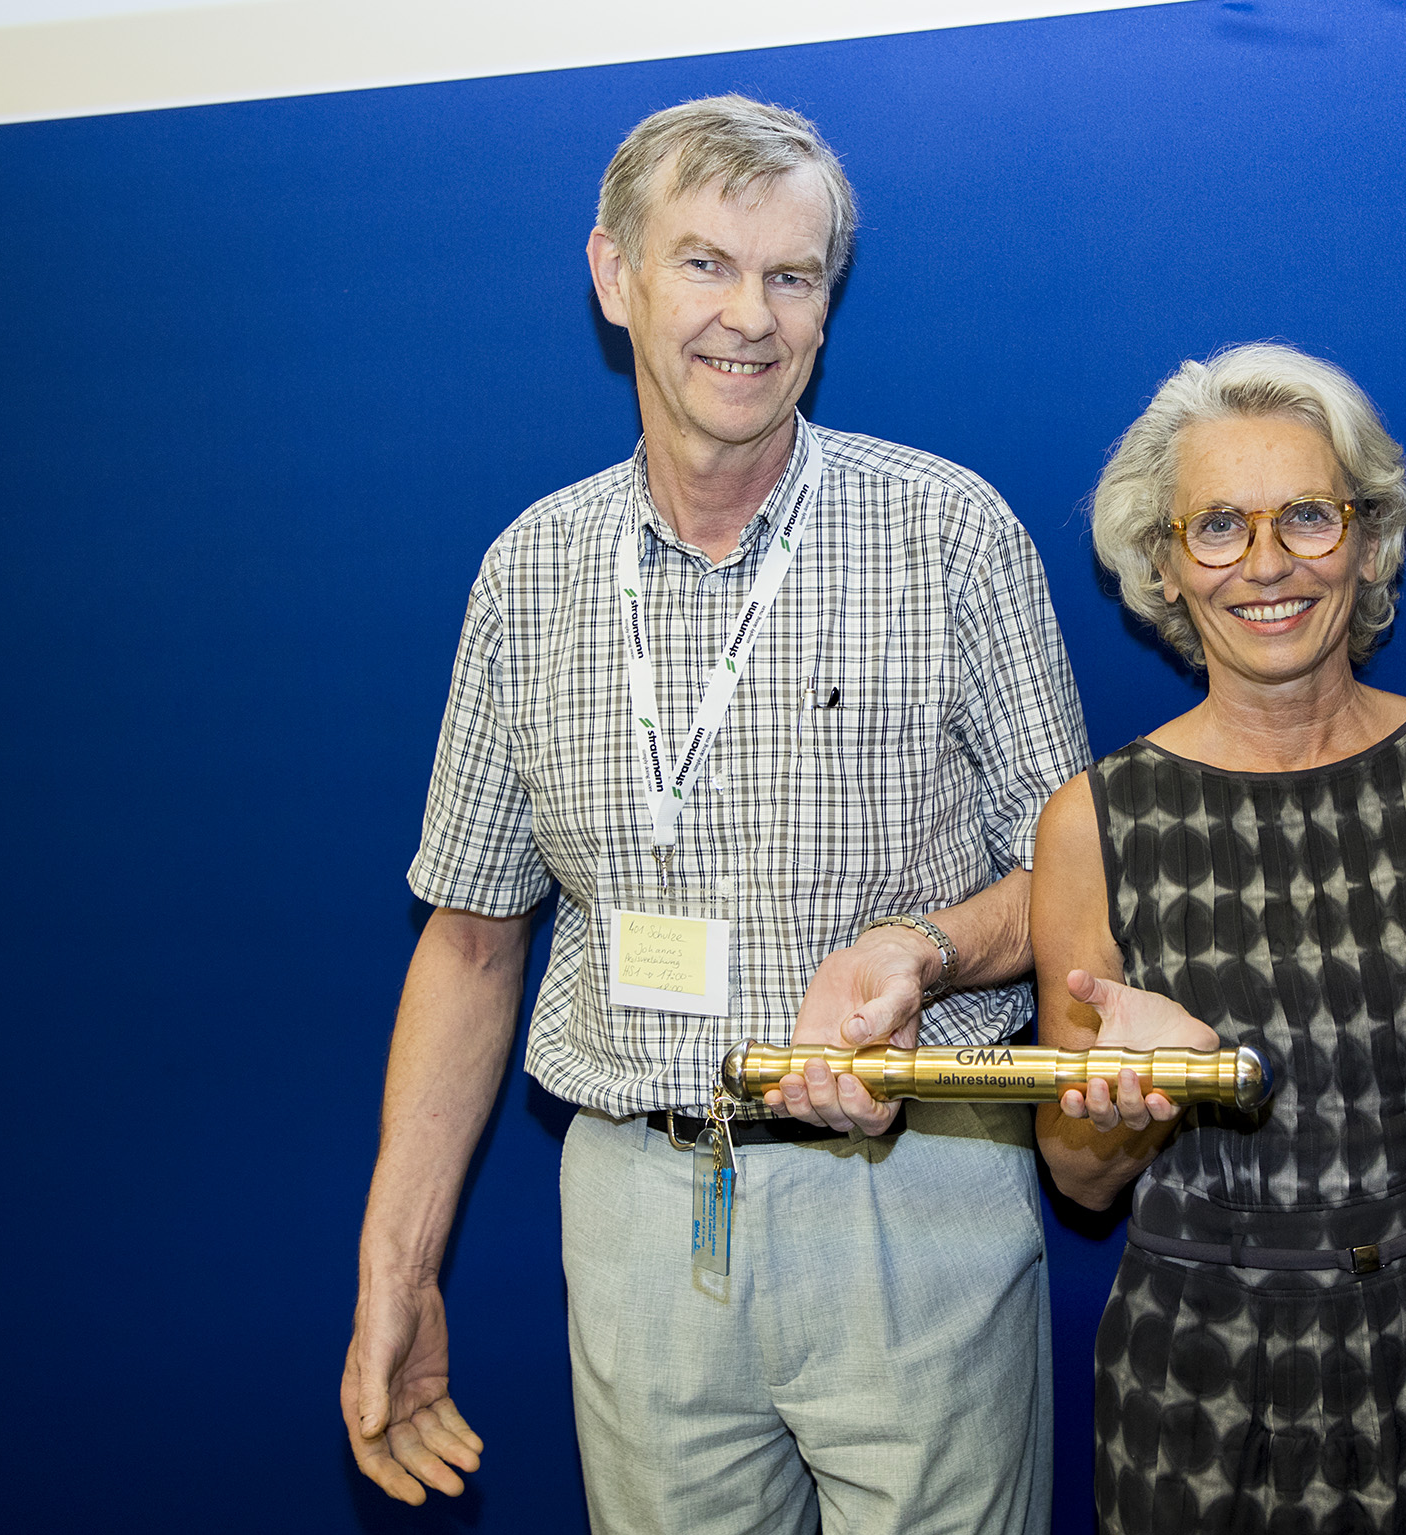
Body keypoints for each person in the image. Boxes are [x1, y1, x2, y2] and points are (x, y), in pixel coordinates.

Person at [339, 95, 1087, 1535]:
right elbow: (470, 943)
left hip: (909, 1196)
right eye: (704, 264)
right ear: (613, 276)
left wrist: (922, 950)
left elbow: (1075, 880)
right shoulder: (527, 574)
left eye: (790, 275)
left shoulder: (950, 534)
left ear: (827, 301)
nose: (749, 316)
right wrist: (399, 1264)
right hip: (638, 1211)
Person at [1033, 344, 1406, 1533]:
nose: (1267, 563)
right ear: (1164, 561)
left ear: (1365, 538)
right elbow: (1078, 1176)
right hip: (1198, 1391)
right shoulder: (1093, 823)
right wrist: (1127, 1105)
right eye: (1217, 525)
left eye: (1306, 515)